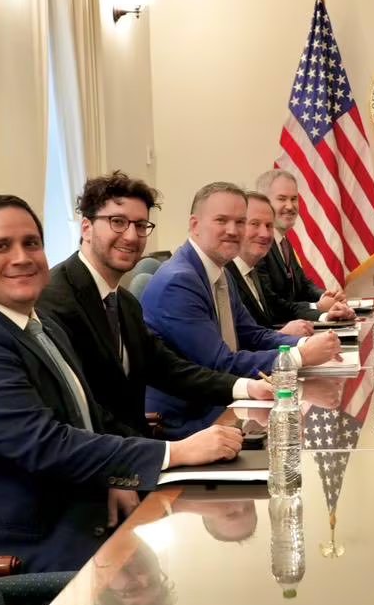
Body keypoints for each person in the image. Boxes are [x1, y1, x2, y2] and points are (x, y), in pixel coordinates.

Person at [0, 195, 244, 572]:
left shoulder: (35, 324)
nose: (22, 257)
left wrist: (120, 477)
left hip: (82, 505)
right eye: (1, 246)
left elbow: (87, 415)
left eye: (31, 243)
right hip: (25, 546)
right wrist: (173, 453)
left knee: (220, 540)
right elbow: (45, 445)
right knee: (196, 567)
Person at [38, 171, 274, 439]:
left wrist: (245, 387)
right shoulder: (56, 299)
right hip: (112, 459)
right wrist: (172, 453)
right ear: (86, 228)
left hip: (134, 447)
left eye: (140, 225)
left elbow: (167, 368)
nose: (130, 236)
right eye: (117, 222)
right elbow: (82, 413)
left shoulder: (123, 302)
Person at [141, 182, 342, 424]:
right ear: (195, 225)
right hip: (187, 419)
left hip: (224, 403)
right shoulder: (179, 281)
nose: (233, 230)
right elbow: (221, 363)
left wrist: (306, 342)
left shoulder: (220, 271)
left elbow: (253, 335)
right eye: (221, 220)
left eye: (240, 222)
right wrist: (299, 356)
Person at [253, 169, 353, 322]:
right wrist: (318, 308)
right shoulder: (259, 246)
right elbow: (272, 304)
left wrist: (325, 296)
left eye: (294, 199)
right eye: (282, 199)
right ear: (264, 203)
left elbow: (303, 285)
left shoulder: (283, 242)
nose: (290, 206)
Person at [225, 190, 322, 333]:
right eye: (255, 224)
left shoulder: (252, 271)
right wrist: (282, 335)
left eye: (269, 226)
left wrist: (325, 316)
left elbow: (279, 308)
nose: (264, 234)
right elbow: (236, 341)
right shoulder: (225, 275)